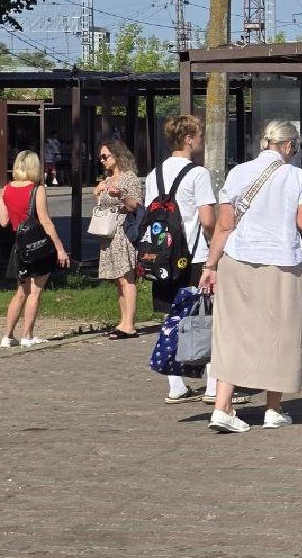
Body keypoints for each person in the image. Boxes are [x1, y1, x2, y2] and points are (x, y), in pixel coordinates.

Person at [202, 121, 302, 433]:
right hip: (282, 262)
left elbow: (224, 225)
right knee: (280, 334)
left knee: (233, 333)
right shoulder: (295, 176)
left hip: (239, 259)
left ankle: (222, 407)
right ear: (290, 146)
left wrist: (210, 266)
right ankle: (273, 408)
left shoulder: (238, 172)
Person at [144, 115, 220, 406]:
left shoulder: (155, 174)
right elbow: (207, 218)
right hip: (195, 254)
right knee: (205, 316)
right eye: (199, 135)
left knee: (171, 317)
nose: (201, 140)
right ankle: (213, 384)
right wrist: (219, 241)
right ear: (188, 138)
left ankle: (175, 384)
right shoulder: (198, 174)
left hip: (163, 254)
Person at [0, 150, 70, 348]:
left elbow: (3, 222)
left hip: (18, 246)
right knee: (35, 292)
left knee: (20, 292)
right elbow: (45, 221)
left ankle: (7, 336)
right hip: (37, 245)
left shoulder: (5, 189)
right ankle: (27, 336)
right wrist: (60, 248)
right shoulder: (36, 189)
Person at [94, 139, 144, 339]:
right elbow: (103, 205)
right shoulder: (107, 179)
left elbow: (137, 206)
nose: (102, 160)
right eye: (101, 157)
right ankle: (123, 321)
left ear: (117, 156)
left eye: (105, 156)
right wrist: (98, 192)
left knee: (126, 277)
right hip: (109, 233)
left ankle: (129, 324)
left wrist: (121, 194)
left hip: (123, 231)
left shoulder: (129, 178)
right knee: (118, 279)